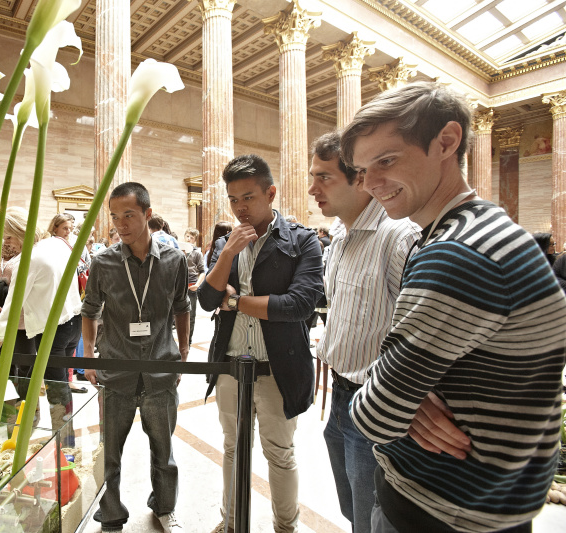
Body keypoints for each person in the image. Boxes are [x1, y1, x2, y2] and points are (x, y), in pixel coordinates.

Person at [341, 82, 566, 533]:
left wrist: (398, 396)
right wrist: (405, 394)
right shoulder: (479, 229)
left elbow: (374, 415)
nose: (371, 184)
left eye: (386, 160)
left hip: (442, 510)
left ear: (446, 141)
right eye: (363, 170)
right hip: (482, 504)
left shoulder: (459, 253)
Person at [197, 154, 323, 533]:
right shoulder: (225, 243)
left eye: (248, 197)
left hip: (278, 367)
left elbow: (300, 305)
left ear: (270, 193)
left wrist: (234, 301)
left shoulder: (301, 241)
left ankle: (286, 526)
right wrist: (230, 253)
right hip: (232, 365)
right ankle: (231, 522)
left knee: (280, 455)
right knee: (234, 449)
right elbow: (205, 299)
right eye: (233, 199)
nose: (240, 207)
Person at [307, 131, 418, 533]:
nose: (312, 189)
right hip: (339, 395)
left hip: (374, 402)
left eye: (324, 178)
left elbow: (414, 332)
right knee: (354, 508)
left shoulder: (397, 237)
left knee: (374, 517)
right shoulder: (339, 235)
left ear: (358, 178)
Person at [81, 182, 190, 533]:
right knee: (110, 453)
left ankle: (164, 506)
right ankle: (111, 512)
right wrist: (88, 356)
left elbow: (181, 307)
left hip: (160, 370)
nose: (121, 224)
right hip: (117, 371)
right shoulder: (104, 263)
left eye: (128, 215)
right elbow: (90, 310)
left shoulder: (174, 261)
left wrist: (184, 352)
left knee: (164, 451)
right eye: (115, 217)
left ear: (147, 213)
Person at [0, 208, 81, 427]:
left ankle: (64, 442)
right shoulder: (56, 243)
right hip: (72, 321)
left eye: (8, 237)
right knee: (52, 381)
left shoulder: (30, 258)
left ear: (20, 231)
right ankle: (53, 431)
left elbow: (12, 306)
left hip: (55, 328)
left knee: (56, 387)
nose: (7, 243)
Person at [183, 227, 205, 346]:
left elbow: (202, 271)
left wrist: (197, 284)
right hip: (178, 286)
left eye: (192, 238)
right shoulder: (178, 250)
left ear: (194, 240)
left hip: (191, 286)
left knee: (191, 316)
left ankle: (188, 342)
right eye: (187, 236)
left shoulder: (197, 253)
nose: (189, 239)